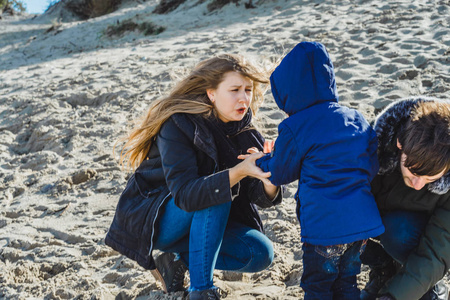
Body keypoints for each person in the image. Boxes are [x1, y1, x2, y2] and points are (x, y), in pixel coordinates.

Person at [104, 54, 282, 300]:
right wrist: (238, 172)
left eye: (248, 89)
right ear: (211, 93)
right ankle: (201, 290)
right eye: (234, 90)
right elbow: (187, 194)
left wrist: (269, 178)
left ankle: (175, 260)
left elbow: (257, 196)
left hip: (206, 221)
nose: (244, 98)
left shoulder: (246, 131)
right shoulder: (179, 124)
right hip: (158, 220)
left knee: (260, 253)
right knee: (217, 190)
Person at [254, 41, 385, 299]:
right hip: (360, 225)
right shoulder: (355, 117)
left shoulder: (295, 126)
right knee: (347, 282)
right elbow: (372, 163)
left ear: (287, 90)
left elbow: (280, 172)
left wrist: (262, 160)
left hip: (324, 229)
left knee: (317, 286)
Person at [360, 97, 450, 300]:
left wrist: (393, 297)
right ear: (400, 143)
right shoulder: (369, 148)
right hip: (370, 227)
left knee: (399, 231)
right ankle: (383, 271)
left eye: (430, 178)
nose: (418, 185)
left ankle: (428, 286)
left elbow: (438, 250)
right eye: (413, 173)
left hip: (414, 237)